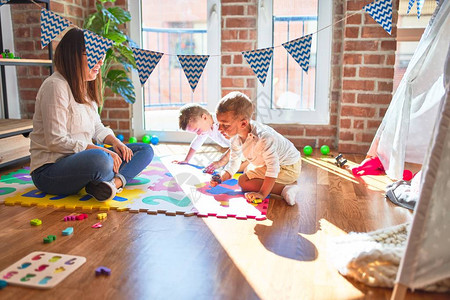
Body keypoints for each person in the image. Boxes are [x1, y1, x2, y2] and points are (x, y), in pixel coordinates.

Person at [29, 28, 154, 201]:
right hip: (51, 170)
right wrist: (102, 150)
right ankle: (101, 177)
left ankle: (112, 185)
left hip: (82, 159)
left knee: (144, 150)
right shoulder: (55, 86)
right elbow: (55, 141)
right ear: (73, 56)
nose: (101, 62)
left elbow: (96, 127)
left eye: (101, 56)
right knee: (101, 160)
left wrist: (115, 143)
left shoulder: (85, 87)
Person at [215, 91, 302, 206]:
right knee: (244, 170)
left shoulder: (263, 139)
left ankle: (285, 189)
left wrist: (262, 193)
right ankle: (278, 184)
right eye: (219, 124)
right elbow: (234, 162)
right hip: (269, 162)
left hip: (288, 167)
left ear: (243, 124)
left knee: (243, 181)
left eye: (225, 125)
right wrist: (222, 177)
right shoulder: (235, 138)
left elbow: (273, 168)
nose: (220, 129)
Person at [175, 103, 236, 174]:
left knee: (231, 166)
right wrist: (186, 160)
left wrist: (221, 161)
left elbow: (239, 142)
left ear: (204, 117)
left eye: (197, 130)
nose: (198, 133)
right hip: (237, 148)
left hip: (247, 143)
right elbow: (196, 143)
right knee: (225, 164)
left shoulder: (223, 121)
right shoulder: (206, 127)